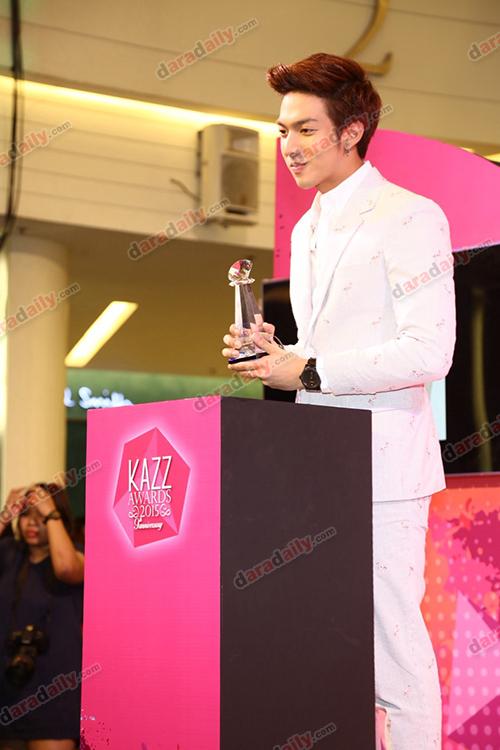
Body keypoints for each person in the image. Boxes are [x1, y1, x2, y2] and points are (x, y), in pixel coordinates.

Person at [222, 52, 456, 749]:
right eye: (281, 130)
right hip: (317, 470)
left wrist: (307, 371)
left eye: (304, 129)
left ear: (351, 131)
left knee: (394, 651)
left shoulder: (411, 217)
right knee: (327, 644)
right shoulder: (306, 229)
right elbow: (322, 348)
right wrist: (273, 352)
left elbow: (430, 351)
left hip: (385, 471)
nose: (288, 146)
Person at [0, 483, 84, 750]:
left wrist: (51, 513)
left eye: (41, 515)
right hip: (11, 684)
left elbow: (67, 569)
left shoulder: (76, 555)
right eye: (26, 514)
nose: (32, 522)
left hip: (54, 689)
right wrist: (5, 516)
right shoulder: (9, 553)